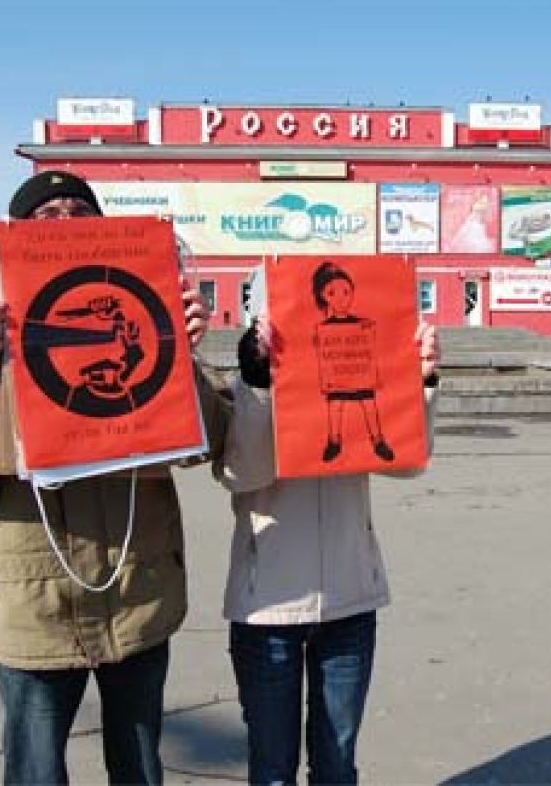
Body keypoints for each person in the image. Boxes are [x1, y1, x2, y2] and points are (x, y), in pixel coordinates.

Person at [0, 170, 231, 785]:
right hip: (34, 604)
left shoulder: (143, 319)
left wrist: (178, 359)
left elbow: (209, 445)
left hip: (140, 594)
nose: (65, 219)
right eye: (45, 213)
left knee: (138, 770)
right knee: (35, 774)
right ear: (15, 239)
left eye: (79, 208)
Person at [218, 308, 440, 785]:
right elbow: (240, 474)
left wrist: (419, 383)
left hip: (349, 603)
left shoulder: (355, 364)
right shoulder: (248, 384)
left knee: (337, 764)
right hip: (268, 612)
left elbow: (407, 462)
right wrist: (260, 382)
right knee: (273, 768)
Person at [312, 261, 394, 463]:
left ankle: (378, 441)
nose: (340, 298)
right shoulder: (324, 328)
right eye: (332, 293)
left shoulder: (361, 324)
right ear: (323, 297)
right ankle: (334, 441)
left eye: (346, 292)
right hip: (338, 375)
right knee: (336, 405)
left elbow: (369, 350)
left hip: (359, 374)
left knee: (368, 403)